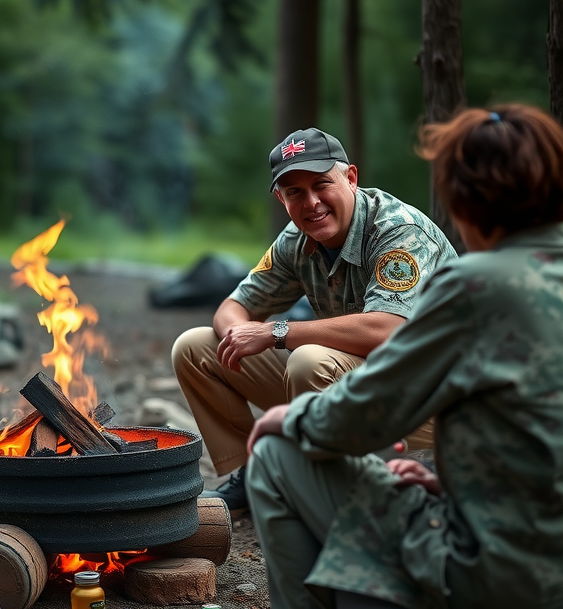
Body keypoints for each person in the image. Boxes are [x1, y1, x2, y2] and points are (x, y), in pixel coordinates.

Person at [244, 105, 563, 609]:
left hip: (502, 580)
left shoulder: (477, 283)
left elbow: (363, 414)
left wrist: (291, 415)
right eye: (292, 191)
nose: (307, 202)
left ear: (465, 205)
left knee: (278, 454)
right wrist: (450, 485)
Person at [171, 127, 455, 514]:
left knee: (309, 360)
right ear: (280, 198)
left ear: (351, 178)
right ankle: (255, 479)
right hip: (357, 388)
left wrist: (276, 331)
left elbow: (387, 329)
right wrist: (242, 334)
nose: (312, 202)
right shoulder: (297, 240)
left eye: (322, 184)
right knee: (196, 347)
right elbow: (232, 308)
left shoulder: (398, 231)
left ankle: (322, 492)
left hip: (435, 402)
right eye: (295, 193)